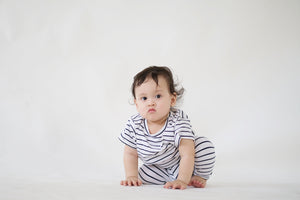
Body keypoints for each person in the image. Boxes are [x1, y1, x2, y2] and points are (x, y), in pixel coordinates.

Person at [118, 66, 215, 190]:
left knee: (204, 146)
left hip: (181, 164)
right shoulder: (134, 124)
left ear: (172, 99)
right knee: (142, 175)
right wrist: (131, 176)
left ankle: (197, 176)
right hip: (156, 168)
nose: (150, 102)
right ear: (137, 104)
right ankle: (168, 179)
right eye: (144, 98)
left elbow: (187, 153)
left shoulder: (178, 121)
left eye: (158, 96)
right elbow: (130, 153)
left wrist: (182, 179)